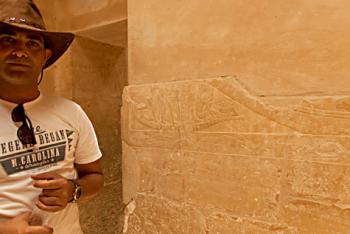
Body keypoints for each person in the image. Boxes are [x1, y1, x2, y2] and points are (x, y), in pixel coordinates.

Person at [0, 0, 104, 233]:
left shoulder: (71, 113)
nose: (19, 51)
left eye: (32, 43)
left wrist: (73, 190)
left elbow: (94, 176)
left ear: (45, 56)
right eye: (7, 40)